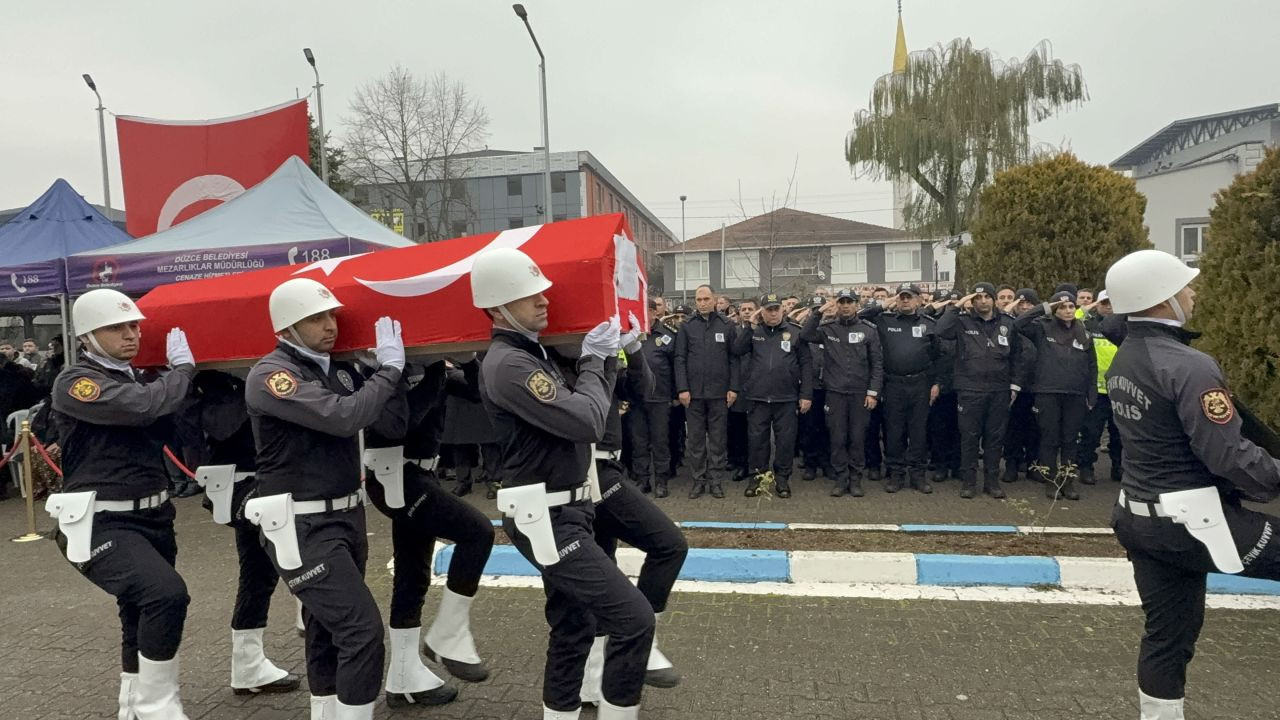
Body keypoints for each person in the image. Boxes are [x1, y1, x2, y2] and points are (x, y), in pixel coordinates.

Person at [473, 247, 654, 720]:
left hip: (568, 508)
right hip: (545, 515)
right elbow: (586, 421)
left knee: (573, 625)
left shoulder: (536, 354)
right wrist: (596, 362)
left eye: (541, 291)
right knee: (632, 619)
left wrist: (611, 356)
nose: (542, 300)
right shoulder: (509, 364)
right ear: (496, 307)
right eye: (526, 295)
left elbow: (617, 398)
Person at [1104, 249, 1280, 720]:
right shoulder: (1189, 364)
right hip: (1197, 522)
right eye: (1185, 287)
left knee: (1167, 638)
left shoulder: (1126, 359)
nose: (1193, 292)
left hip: (1140, 519)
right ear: (1162, 300)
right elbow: (1228, 454)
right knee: (1170, 637)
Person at [244, 278, 407, 719]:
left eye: (332, 315)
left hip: (346, 518)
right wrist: (389, 371)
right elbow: (344, 417)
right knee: (362, 631)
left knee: (325, 628)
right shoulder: (272, 375)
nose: (330, 325)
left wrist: (399, 374)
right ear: (286, 328)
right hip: (300, 525)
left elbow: (389, 424)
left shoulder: (336, 368)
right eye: (315, 318)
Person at [46, 289, 196, 720]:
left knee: (137, 608)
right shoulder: (77, 381)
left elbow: (168, 423)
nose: (132, 334)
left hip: (152, 514)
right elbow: (144, 407)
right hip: (101, 519)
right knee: (166, 595)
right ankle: (158, 707)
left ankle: (131, 704)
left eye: (135, 326)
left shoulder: (138, 378)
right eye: (118, 327)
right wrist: (182, 370)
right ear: (89, 336)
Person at [363, 356, 495, 707]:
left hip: (419, 476)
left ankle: (404, 676)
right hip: (396, 477)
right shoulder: (379, 371)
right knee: (478, 533)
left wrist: (470, 362)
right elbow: (397, 425)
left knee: (412, 575)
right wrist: (434, 372)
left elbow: (480, 393)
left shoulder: (426, 371)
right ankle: (448, 635)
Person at [573, 317, 688, 704]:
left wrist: (632, 349)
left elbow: (644, 390)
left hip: (608, 466)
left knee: (602, 573)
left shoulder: (600, 354)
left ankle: (592, 682)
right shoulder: (566, 354)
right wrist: (591, 357)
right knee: (669, 544)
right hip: (592, 471)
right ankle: (643, 642)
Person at [185, 371, 302, 698]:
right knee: (298, 545)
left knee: (258, 574)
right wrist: (250, 382)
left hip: (274, 481)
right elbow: (219, 425)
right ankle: (310, 610)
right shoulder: (216, 379)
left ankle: (248, 664)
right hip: (239, 484)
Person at [935, 283, 1021, 499]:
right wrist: (957, 306)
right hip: (969, 389)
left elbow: (1017, 357)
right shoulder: (962, 322)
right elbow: (941, 330)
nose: (983, 301)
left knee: (994, 438)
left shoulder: (1008, 323)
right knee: (969, 438)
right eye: (978, 298)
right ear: (972, 301)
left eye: (987, 297)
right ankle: (969, 482)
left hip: (999, 390)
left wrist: (1014, 385)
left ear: (993, 300)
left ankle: (991, 482)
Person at [1013, 290, 1097, 500]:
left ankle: (1067, 481)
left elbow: (1092, 365)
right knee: (1049, 439)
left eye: (1071, 307)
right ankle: (1051, 482)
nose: (1068, 311)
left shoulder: (1083, 331)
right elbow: (1018, 324)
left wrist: (1092, 393)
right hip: (1048, 392)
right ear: (1055, 310)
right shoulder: (1042, 327)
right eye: (1062, 307)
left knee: (1070, 440)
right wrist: (1045, 307)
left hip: (1076, 394)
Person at [859, 284, 941, 494]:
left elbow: (938, 357)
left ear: (918, 300)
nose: (905, 301)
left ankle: (917, 474)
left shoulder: (928, 324)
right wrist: (883, 303)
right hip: (893, 384)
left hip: (920, 384)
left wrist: (936, 383)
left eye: (909, 297)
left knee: (919, 432)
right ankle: (896, 473)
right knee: (894, 431)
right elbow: (862, 315)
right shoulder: (885, 320)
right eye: (901, 297)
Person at [801, 290, 883, 497]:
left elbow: (877, 364)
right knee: (837, 438)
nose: (845, 306)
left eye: (849, 302)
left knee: (857, 438)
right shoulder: (828, 329)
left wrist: (872, 393)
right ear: (836, 305)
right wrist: (818, 313)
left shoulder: (869, 330)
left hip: (859, 393)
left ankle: (855, 479)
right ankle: (841, 478)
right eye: (841, 302)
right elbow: (805, 335)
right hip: (835, 393)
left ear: (856, 304)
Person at [733, 293, 813, 498]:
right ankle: (757, 478)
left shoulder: (795, 332)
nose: (773, 313)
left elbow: (805, 365)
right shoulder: (754, 332)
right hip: (758, 397)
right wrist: (748, 326)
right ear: (762, 311)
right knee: (757, 441)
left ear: (782, 310)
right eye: (769, 309)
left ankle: (782, 479)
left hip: (786, 397)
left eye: (776, 309)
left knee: (785, 441)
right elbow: (737, 350)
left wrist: (806, 395)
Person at [673, 284, 738, 499]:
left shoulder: (727, 325)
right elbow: (679, 358)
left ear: (714, 299)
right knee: (696, 441)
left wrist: (733, 387)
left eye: (706, 299)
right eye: (699, 299)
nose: (702, 303)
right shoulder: (687, 326)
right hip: (694, 395)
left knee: (718, 440)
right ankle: (699, 480)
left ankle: (716, 480)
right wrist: (682, 388)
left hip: (720, 394)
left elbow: (733, 358)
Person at [629, 297, 678, 497]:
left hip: (659, 398)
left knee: (660, 442)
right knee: (639, 442)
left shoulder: (668, 335)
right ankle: (642, 480)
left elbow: (676, 366)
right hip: (636, 398)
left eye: (644, 312)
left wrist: (675, 393)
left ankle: (661, 481)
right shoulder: (630, 335)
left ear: (653, 312)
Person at [1077, 291, 1123, 485]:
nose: (1108, 306)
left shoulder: (1124, 327)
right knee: (1091, 433)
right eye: (1104, 302)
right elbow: (1075, 317)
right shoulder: (1088, 324)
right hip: (1096, 390)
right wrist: (1088, 307)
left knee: (1119, 434)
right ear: (1097, 304)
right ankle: (1086, 467)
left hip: (1120, 389)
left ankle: (1118, 467)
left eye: (1111, 303)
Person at [1001, 289, 1041, 484]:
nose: (1025, 308)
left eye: (1029, 304)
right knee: (1012, 428)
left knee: (1035, 429)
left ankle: (1033, 464)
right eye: (1021, 304)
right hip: (1014, 385)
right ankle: (1011, 465)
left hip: (1036, 386)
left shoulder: (1042, 325)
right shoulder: (1011, 325)